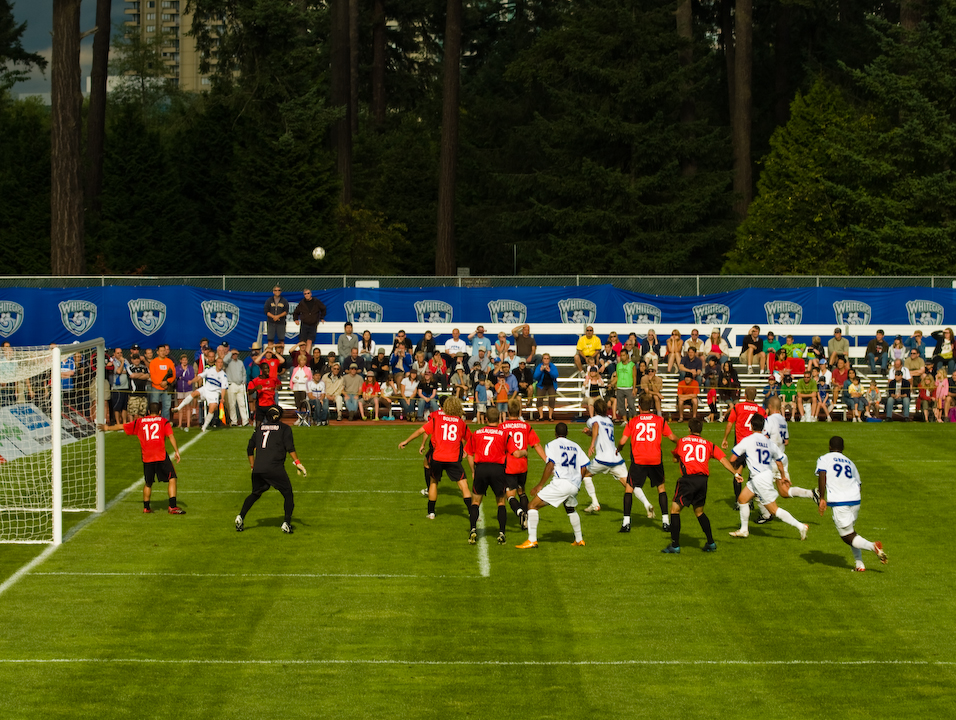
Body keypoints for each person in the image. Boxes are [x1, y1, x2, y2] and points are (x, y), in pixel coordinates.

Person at [662, 417, 739, 553]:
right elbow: (723, 459)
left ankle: (674, 545)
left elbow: (675, 458)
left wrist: (677, 458)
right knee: (699, 512)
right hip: (702, 481)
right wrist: (735, 473)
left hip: (688, 480)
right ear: (701, 430)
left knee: (675, 510)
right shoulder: (708, 444)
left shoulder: (682, 441)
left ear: (689, 429)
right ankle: (711, 542)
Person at [728, 414, 808, 540]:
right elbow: (779, 462)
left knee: (773, 510)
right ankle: (744, 530)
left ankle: (800, 526)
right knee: (742, 500)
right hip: (764, 475)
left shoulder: (748, 440)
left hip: (759, 478)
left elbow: (732, 458)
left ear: (751, 425)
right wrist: (783, 476)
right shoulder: (769, 443)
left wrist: (734, 469)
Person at [814, 436, 887, 571]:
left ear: (830, 447)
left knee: (847, 536)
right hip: (855, 498)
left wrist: (822, 497)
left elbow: (822, 474)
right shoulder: (850, 462)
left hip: (840, 500)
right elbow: (858, 484)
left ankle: (873, 546)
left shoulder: (824, 458)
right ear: (843, 448)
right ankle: (859, 564)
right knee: (852, 532)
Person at [516, 423, 589, 549]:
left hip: (561, 483)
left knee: (532, 506)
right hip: (574, 485)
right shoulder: (575, 446)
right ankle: (579, 539)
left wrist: (539, 485)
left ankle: (532, 540)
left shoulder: (551, 444)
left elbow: (550, 465)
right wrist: (578, 481)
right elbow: (584, 466)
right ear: (567, 433)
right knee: (570, 508)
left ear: (555, 433)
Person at [399, 396, 472, 520]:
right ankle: (472, 512)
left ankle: (431, 512)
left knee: (433, 482)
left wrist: (407, 441)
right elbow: (470, 438)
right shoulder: (460, 422)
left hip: (437, 457)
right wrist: (464, 450)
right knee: (463, 485)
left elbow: (420, 431)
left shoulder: (437, 418)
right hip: (453, 458)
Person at [236, 406, 306, 534]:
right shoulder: (284, 428)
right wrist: (297, 463)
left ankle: (240, 516)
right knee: (288, 494)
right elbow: (290, 447)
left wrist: (253, 466)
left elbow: (249, 449)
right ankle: (286, 523)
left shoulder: (259, 429)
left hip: (259, 468)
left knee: (256, 493)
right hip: (274, 468)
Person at [108, 402, 184, 514]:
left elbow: (122, 426)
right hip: (160, 455)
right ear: (159, 412)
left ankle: (146, 507)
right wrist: (176, 451)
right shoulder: (163, 421)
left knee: (148, 482)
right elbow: (170, 436)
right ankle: (172, 506)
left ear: (148, 412)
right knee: (172, 478)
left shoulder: (140, 422)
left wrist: (106, 428)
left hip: (147, 457)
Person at [617, 396, 677, 533]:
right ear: (651, 407)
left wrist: (619, 448)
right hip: (655, 459)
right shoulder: (659, 420)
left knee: (629, 489)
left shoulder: (633, 421)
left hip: (638, 460)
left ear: (639, 407)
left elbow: (622, 441)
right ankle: (665, 522)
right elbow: (672, 437)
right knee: (661, 488)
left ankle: (626, 523)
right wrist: (680, 444)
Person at [464, 407, 512, 545]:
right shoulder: (504, 434)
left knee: (475, 502)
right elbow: (512, 452)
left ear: (486, 419)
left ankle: (473, 529)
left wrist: (473, 470)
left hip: (482, 468)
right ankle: (502, 533)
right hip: (497, 469)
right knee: (501, 502)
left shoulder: (477, 433)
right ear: (499, 419)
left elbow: (469, 453)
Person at [500, 396, 546, 529]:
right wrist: (547, 460)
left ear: (508, 411)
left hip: (509, 465)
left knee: (510, 495)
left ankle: (520, 513)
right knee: (522, 492)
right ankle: (526, 519)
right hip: (522, 465)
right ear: (519, 411)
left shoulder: (502, 427)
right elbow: (536, 445)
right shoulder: (526, 426)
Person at [580, 398, 628, 515]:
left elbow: (596, 426)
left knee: (585, 475)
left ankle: (595, 503)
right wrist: (589, 434)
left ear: (594, 409)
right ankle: (647, 504)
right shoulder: (609, 420)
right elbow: (600, 432)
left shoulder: (593, 420)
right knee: (628, 484)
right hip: (615, 457)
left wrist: (592, 444)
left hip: (602, 458)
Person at [720, 386, 767, 502]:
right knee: (753, 473)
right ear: (755, 396)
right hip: (755, 445)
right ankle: (750, 499)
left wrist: (725, 439)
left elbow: (730, 423)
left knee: (738, 472)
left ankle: (738, 500)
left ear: (745, 395)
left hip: (740, 445)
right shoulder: (760, 410)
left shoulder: (738, 407)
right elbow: (766, 427)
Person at [175, 356, 228, 433]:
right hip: (205, 389)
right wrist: (192, 381)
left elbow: (223, 388)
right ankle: (178, 408)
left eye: (221, 363)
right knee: (194, 393)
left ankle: (204, 427)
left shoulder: (223, 375)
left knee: (212, 408)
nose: (220, 364)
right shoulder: (209, 370)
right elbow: (199, 377)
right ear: (215, 363)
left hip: (214, 393)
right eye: (218, 362)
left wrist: (222, 397)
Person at [292, 288, 326, 356]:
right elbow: (296, 312)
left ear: (311, 294)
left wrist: (321, 317)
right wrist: (295, 319)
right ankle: (302, 356)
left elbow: (323, 309)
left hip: (313, 324)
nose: (307, 295)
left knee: (310, 341)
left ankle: (306, 356)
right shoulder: (302, 303)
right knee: (302, 342)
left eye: (308, 293)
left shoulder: (316, 301)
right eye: (305, 294)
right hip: (304, 324)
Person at [224, 347, 250, 427]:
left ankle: (245, 421)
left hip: (240, 385)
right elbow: (224, 360)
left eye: (236, 354)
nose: (235, 355)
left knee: (242, 404)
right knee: (232, 404)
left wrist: (243, 381)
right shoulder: (228, 362)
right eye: (233, 354)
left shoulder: (240, 362)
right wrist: (230, 353)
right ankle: (234, 421)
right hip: (232, 384)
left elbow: (244, 373)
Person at [148, 344, 175, 420]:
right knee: (154, 406)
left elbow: (173, 375)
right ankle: (154, 422)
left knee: (166, 407)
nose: (163, 352)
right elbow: (153, 376)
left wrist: (166, 382)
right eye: (161, 351)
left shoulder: (169, 362)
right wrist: (161, 383)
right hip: (156, 388)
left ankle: (164, 423)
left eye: (164, 351)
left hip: (166, 388)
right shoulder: (153, 362)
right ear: (157, 352)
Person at [289, 353, 313, 425]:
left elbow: (308, 379)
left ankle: (304, 418)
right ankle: (299, 419)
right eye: (301, 360)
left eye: (303, 360)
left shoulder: (308, 369)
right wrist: (299, 380)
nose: (302, 362)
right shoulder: (295, 369)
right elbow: (293, 379)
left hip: (304, 389)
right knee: (298, 405)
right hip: (296, 388)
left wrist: (299, 379)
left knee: (304, 404)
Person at [533, 353, 559, 422]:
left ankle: (550, 416)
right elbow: (535, 376)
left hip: (551, 385)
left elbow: (556, 375)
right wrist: (541, 371)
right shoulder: (539, 366)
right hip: (541, 385)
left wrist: (549, 371)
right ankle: (541, 416)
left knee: (552, 399)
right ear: (542, 360)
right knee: (539, 399)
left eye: (547, 358)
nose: (546, 360)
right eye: (545, 358)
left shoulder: (552, 366)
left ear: (549, 359)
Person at [109, 347, 131, 427]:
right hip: (117, 387)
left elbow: (129, 371)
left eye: (121, 352)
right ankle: (118, 423)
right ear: (114, 354)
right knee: (117, 406)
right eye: (118, 353)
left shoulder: (126, 361)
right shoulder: (113, 362)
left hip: (125, 386)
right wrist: (122, 363)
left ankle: (124, 422)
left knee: (124, 406)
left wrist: (122, 370)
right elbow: (118, 371)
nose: (120, 354)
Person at [614, 349, 637, 422]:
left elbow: (634, 376)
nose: (622, 357)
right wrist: (612, 384)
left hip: (629, 387)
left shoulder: (632, 365)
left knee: (631, 405)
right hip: (620, 387)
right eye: (621, 356)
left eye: (624, 355)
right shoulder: (618, 365)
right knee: (620, 406)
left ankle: (635, 419)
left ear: (627, 356)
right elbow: (617, 376)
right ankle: (625, 421)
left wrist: (634, 388)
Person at [127, 350, 150, 420]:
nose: (136, 360)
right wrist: (141, 374)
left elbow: (147, 376)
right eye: (135, 359)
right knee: (132, 412)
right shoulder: (130, 367)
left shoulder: (144, 367)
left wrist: (138, 376)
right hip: (134, 393)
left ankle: (140, 426)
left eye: (138, 359)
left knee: (142, 412)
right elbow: (132, 375)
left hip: (143, 393)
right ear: (132, 360)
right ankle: (132, 426)